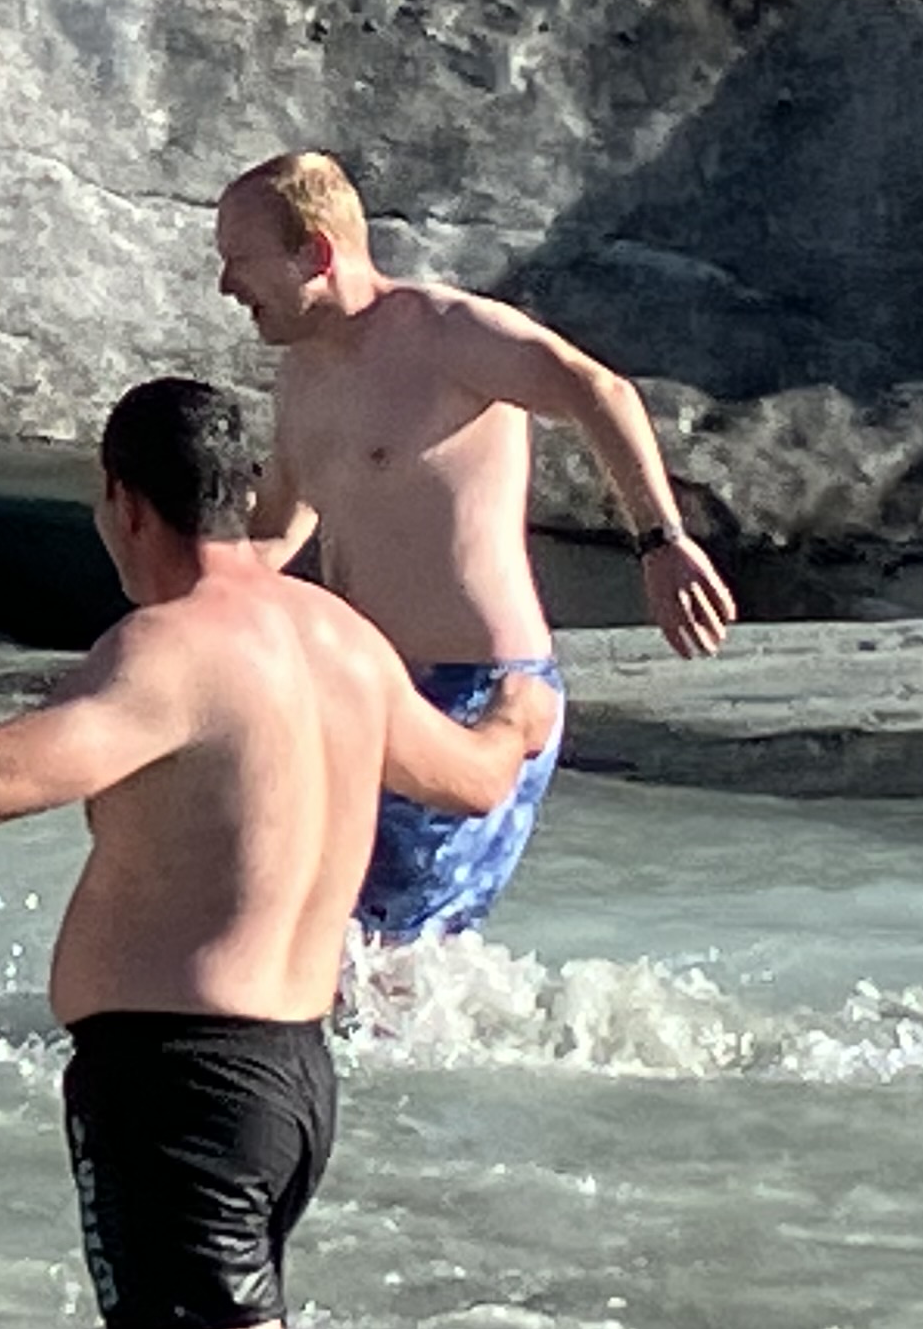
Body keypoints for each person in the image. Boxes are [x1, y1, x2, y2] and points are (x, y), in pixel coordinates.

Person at [0, 378, 558, 1329]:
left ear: (123, 503)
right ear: (243, 495)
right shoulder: (342, 640)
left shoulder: (167, 653)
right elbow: (474, 781)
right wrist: (515, 720)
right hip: (295, 1082)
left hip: (180, 1090)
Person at [214, 148, 740, 938]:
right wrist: (193, 598)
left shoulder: (446, 334)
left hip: (481, 696)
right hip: (368, 698)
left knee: (387, 947)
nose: (226, 286)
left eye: (240, 261)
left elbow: (597, 390)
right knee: (304, 933)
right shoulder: (302, 378)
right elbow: (282, 525)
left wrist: (661, 540)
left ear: (315, 254)